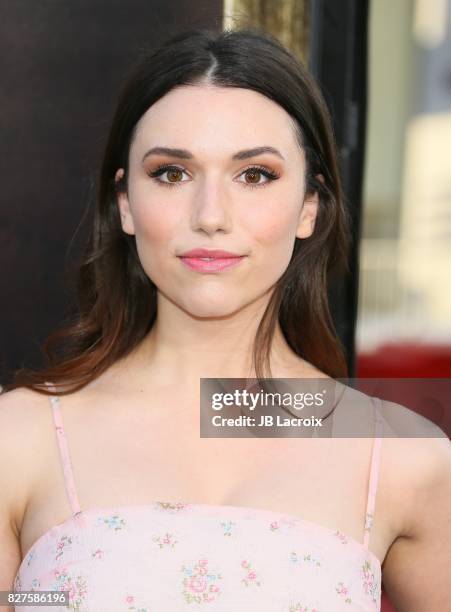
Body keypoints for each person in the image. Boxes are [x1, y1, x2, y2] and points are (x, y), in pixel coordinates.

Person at [1, 26, 450, 612]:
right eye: (172, 173)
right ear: (126, 203)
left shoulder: (401, 456)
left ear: (308, 207)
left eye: (255, 175)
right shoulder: (20, 439)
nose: (210, 215)